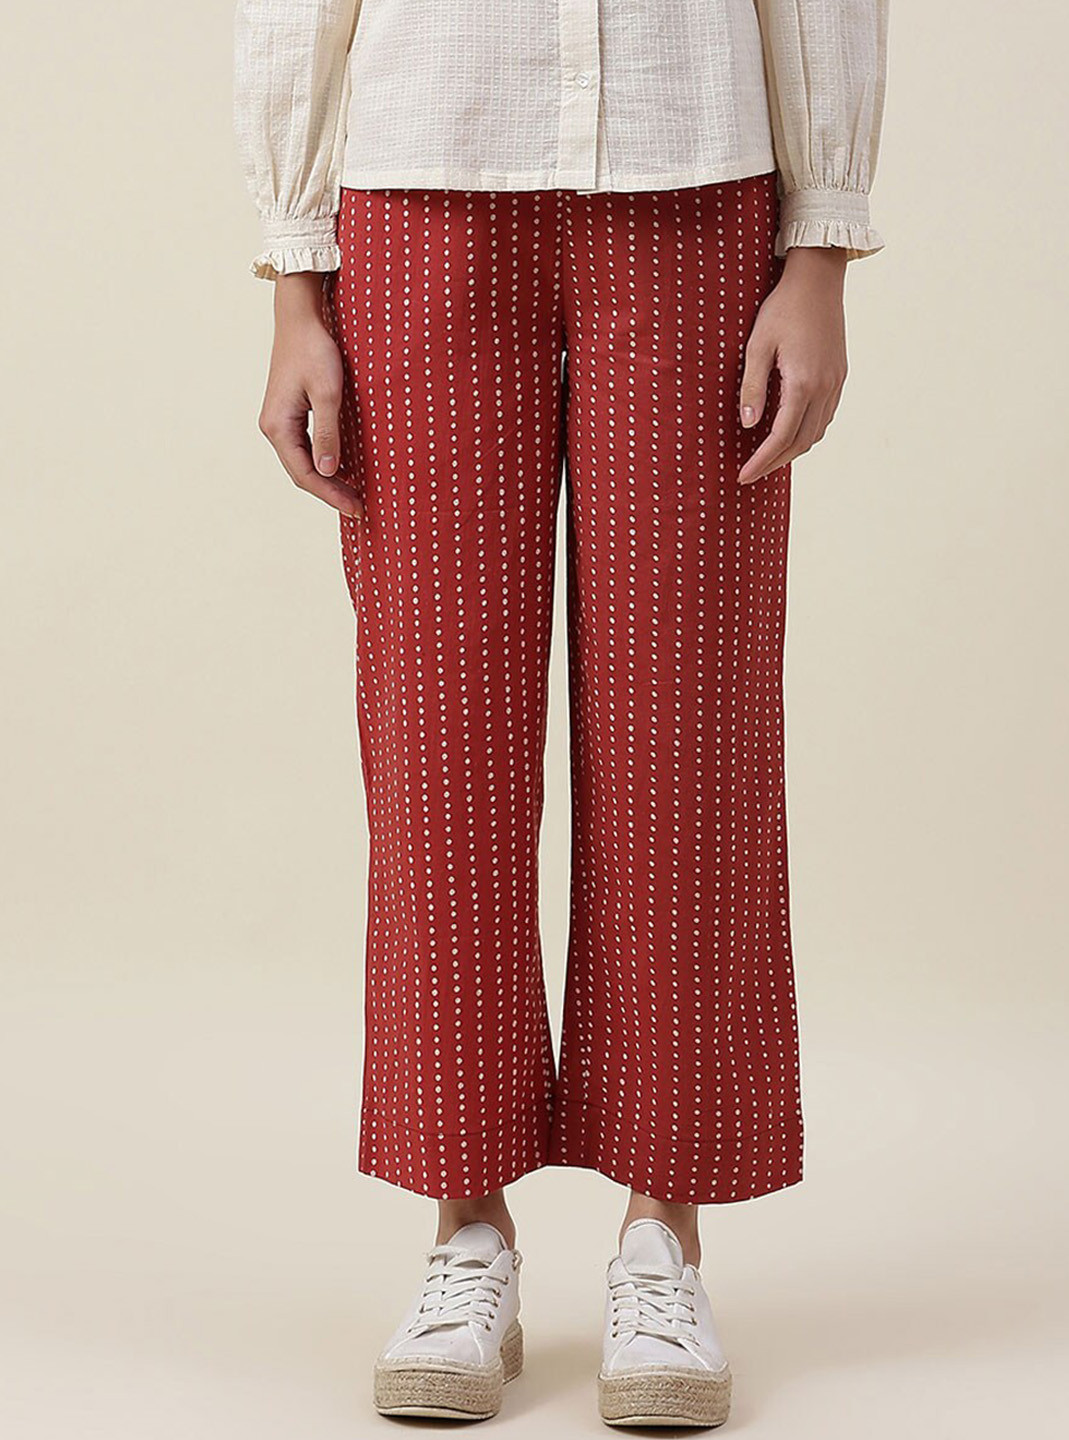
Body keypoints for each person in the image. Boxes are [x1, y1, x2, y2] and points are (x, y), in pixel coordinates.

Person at [233, 0, 887, 1426]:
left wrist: (822, 246)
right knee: (437, 735)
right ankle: (466, 1231)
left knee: (689, 730)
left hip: (694, 180)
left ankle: (665, 1237)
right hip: (422, 183)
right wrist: (295, 277)